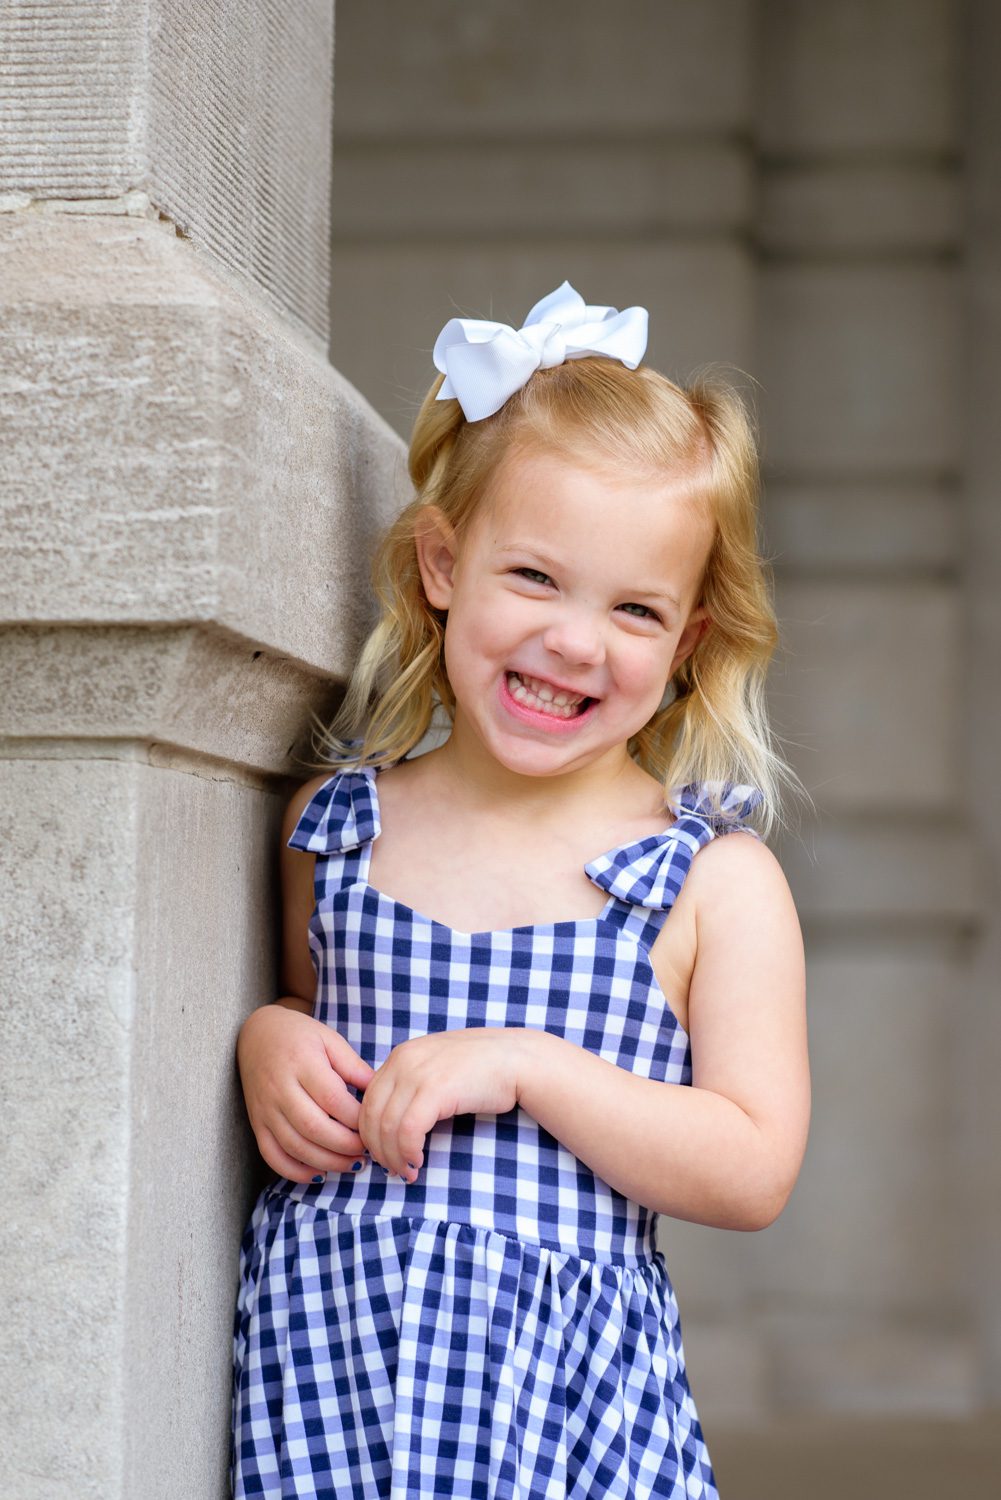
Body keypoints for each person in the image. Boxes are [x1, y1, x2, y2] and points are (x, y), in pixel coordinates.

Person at [230, 280, 810, 1499]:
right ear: (443, 563)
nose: (576, 641)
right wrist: (270, 1040)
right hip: (335, 1375)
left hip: (568, 1415)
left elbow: (751, 1164)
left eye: (635, 608)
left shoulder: (707, 882)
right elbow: (302, 1010)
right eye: (535, 578)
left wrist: (530, 1068)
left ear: (688, 643)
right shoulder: (335, 828)